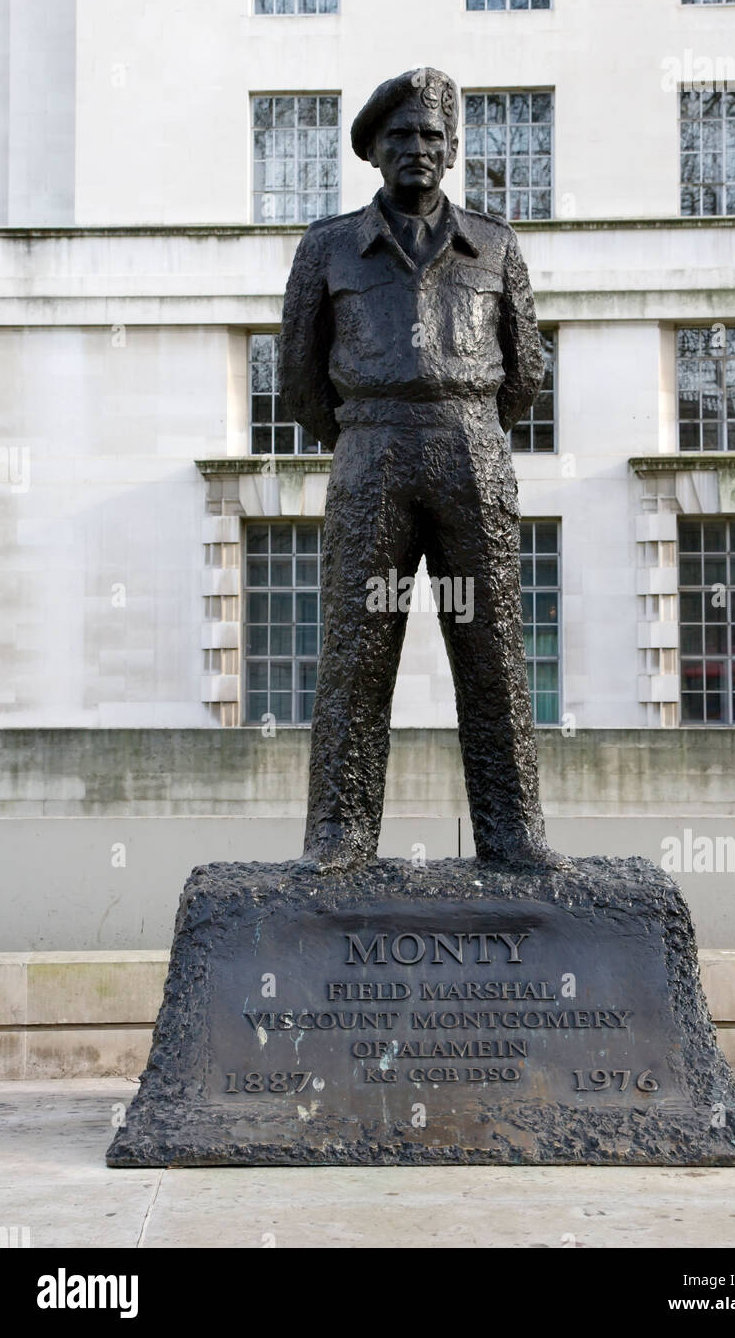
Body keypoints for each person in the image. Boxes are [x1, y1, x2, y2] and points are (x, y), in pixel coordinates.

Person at [280, 67, 562, 871]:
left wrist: (465, 421)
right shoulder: (328, 247)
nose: (417, 151)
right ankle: (338, 835)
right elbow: (299, 379)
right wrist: (372, 423)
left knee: (494, 650)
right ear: (374, 151)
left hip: (472, 449)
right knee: (357, 651)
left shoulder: (496, 245)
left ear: (453, 150)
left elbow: (526, 370)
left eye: (432, 138)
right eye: (401, 137)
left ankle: (513, 835)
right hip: (371, 453)